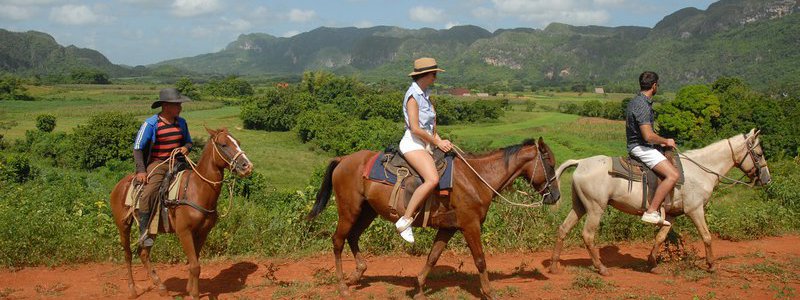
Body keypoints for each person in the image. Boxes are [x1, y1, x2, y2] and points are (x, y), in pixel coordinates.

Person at [394, 58, 453, 243]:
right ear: (426, 75)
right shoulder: (413, 96)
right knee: (432, 179)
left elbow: (430, 127)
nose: (435, 78)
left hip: (426, 143)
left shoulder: (425, 94)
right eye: (434, 74)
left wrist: (439, 141)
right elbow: (415, 128)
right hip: (413, 143)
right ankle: (405, 220)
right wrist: (436, 141)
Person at [132, 88, 193, 246]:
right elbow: (138, 147)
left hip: (179, 162)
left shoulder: (181, 122)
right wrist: (141, 170)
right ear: (166, 106)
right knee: (148, 193)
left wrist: (186, 147)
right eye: (177, 105)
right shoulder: (151, 124)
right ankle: (145, 233)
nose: (180, 107)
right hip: (159, 163)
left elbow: (188, 141)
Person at [625, 71, 679, 226]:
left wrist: (659, 142)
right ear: (654, 86)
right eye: (658, 85)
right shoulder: (643, 105)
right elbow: (648, 136)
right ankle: (652, 211)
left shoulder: (635, 101)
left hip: (640, 144)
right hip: (640, 147)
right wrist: (666, 141)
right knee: (673, 175)